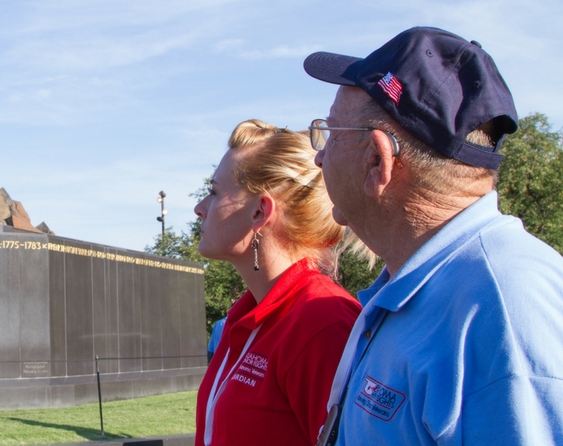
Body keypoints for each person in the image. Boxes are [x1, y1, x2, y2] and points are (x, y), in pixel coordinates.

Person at [304, 26, 563, 445]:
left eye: (330, 133)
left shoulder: (501, 310)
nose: (319, 155)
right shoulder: (418, 288)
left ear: (377, 160)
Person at [193, 120, 361, 446]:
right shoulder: (243, 321)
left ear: (259, 212)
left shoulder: (322, 322)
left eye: (214, 192)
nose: (200, 208)